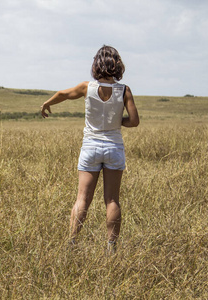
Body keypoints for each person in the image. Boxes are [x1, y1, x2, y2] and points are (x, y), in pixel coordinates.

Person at [40, 45, 139, 253]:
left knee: (82, 199)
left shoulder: (87, 87)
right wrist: (116, 122)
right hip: (114, 147)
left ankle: (72, 244)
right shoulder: (124, 90)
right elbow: (134, 121)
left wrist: (46, 104)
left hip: (90, 147)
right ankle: (111, 248)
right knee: (112, 200)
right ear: (118, 65)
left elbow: (62, 94)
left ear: (96, 64)